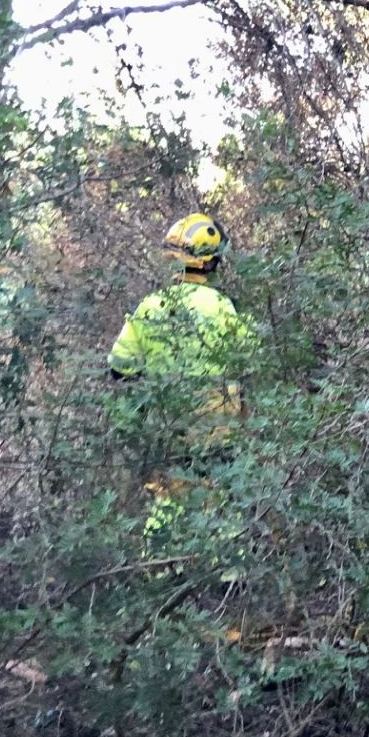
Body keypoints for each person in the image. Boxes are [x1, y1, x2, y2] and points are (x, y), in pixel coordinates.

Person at [109, 213, 249, 537]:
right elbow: (248, 360)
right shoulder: (221, 306)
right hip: (218, 421)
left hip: (168, 418)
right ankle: (226, 572)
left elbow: (120, 367)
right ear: (212, 261)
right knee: (218, 491)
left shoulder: (151, 305)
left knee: (168, 495)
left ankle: (159, 568)